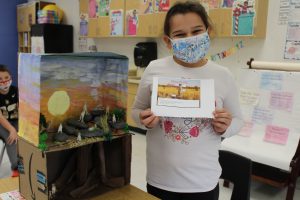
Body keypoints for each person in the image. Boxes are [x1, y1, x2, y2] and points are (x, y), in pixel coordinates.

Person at [131, 1, 244, 200]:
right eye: (180, 34)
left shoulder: (222, 75)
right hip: (160, 180)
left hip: (203, 182)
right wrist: (143, 118)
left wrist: (225, 127)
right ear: (168, 41)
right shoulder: (154, 69)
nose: (190, 39)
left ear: (208, 32)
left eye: (197, 31)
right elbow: (135, 111)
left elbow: (238, 121)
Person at [0, 64, 19, 177]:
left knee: (27, 134)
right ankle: (16, 167)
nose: (4, 81)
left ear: (11, 77)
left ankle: (28, 161)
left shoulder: (16, 90)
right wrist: (12, 129)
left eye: (6, 78)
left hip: (15, 121)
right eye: (0, 79)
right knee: (11, 138)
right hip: (2, 124)